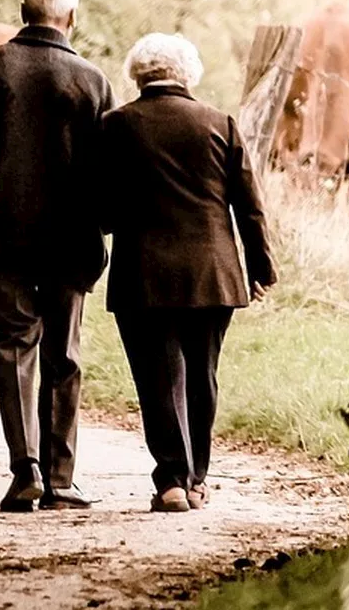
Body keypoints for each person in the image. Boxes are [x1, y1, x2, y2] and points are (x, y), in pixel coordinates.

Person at [0, 0, 115, 513]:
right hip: (71, 244)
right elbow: (107, 173)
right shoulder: (91, 80)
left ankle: (26, 471)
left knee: (13, 350)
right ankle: (62, 480)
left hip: (1, 242)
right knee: (64, 354)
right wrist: (103, 230)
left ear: (22, 10)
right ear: (72, 19)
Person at [100, 33, 277, 513]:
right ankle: (197, 478)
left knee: (158, 376)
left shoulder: (116, 126)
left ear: (137, 73)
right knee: (203, 374)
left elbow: (102, 208)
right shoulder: (220, 123)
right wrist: (260, 266)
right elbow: (250, 205)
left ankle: (171, 480)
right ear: (187, 74)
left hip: (142, 272)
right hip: (214, 272)